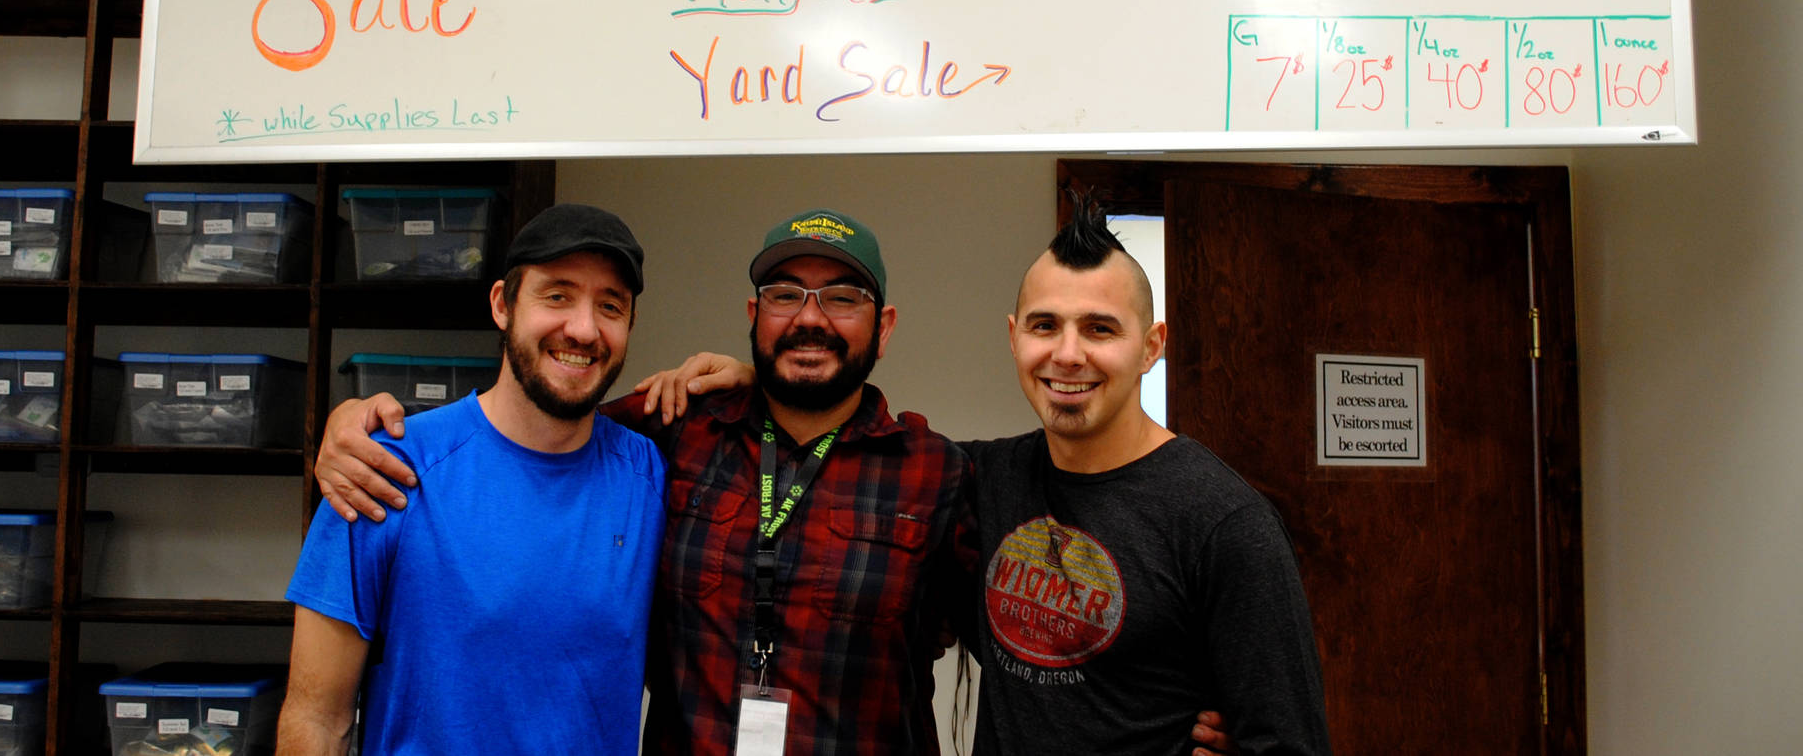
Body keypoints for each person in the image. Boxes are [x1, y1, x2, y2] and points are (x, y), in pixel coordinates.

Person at [317, 209, 1239, 756]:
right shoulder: (668, 433)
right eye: (787, 295)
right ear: (754, 316)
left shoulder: (941, 472)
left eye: (841, 297)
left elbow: (1035, 617)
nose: (812, 318)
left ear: (883, 324)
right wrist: (352, 424)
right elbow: (536, 414)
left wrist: (1168, 717)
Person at [278, 203, 666, 756]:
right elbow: (317, 719)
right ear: (503, 305)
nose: (583, 328)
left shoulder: (651, 479)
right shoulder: (382, 469)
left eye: (610, 305)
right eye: (556, 295)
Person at [961, 196, 1333, 755]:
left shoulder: (1225, 522)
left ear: (1151, 348)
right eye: (1045, 325)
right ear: (1014, 336)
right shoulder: (976, 481)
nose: (1066, 354)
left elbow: (1288, 741)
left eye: (1099, 329)